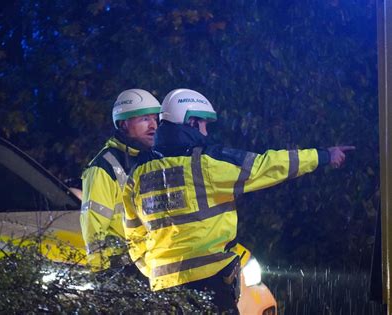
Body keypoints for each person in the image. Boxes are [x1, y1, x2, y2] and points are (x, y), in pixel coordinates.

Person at [122, 88, 354, 313]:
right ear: (191, 122)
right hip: (209, 283)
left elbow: (133, 235)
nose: (206, 133)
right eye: (204, 125)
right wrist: (323, 155)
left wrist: (152, 268)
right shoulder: (204, 165)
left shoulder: (138, 176)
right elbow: (269, 165)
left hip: (162, 288)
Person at [80, 88, 161, 272]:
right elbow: (93, 226)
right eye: (144, 119)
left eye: (155, 119)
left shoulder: (153, 159)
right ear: (124, 124)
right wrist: (100, 271)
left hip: (153, 266)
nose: (153, 126)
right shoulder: (104, 166)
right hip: (121, 268)